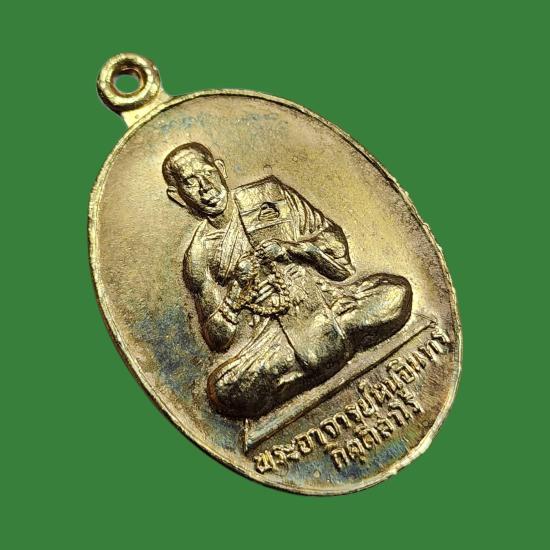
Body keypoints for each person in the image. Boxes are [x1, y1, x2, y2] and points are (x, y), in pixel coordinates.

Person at [162, 142, 412, 418]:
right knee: (225, 391)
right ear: (178, 196)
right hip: (273, 340)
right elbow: (217, 338)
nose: (206, 188)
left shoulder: (270, 195)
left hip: (328, 302)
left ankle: (310, 366)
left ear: (220, 169)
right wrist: (236, 293)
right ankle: (330, 352)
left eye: (208, 173)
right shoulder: (198, 255)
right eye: (190, 183)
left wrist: (293, 250)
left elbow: (335, 246)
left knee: (395, 293)